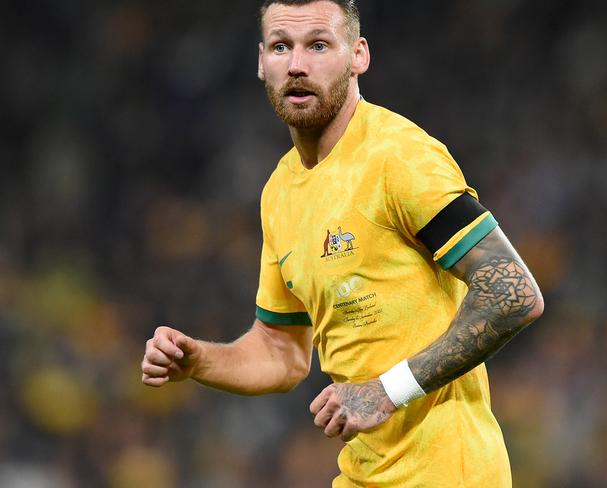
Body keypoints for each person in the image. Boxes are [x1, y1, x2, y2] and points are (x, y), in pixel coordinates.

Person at [141, 0, 544, 486]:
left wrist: (386, 391)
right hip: (363, 474)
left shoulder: (400, 157)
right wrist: (200, 360)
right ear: (260, 61)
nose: (296, 64)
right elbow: (281, 352)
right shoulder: (280, 193)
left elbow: (513, 294)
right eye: (280, 46)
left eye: (317, 45)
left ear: (359, 55)